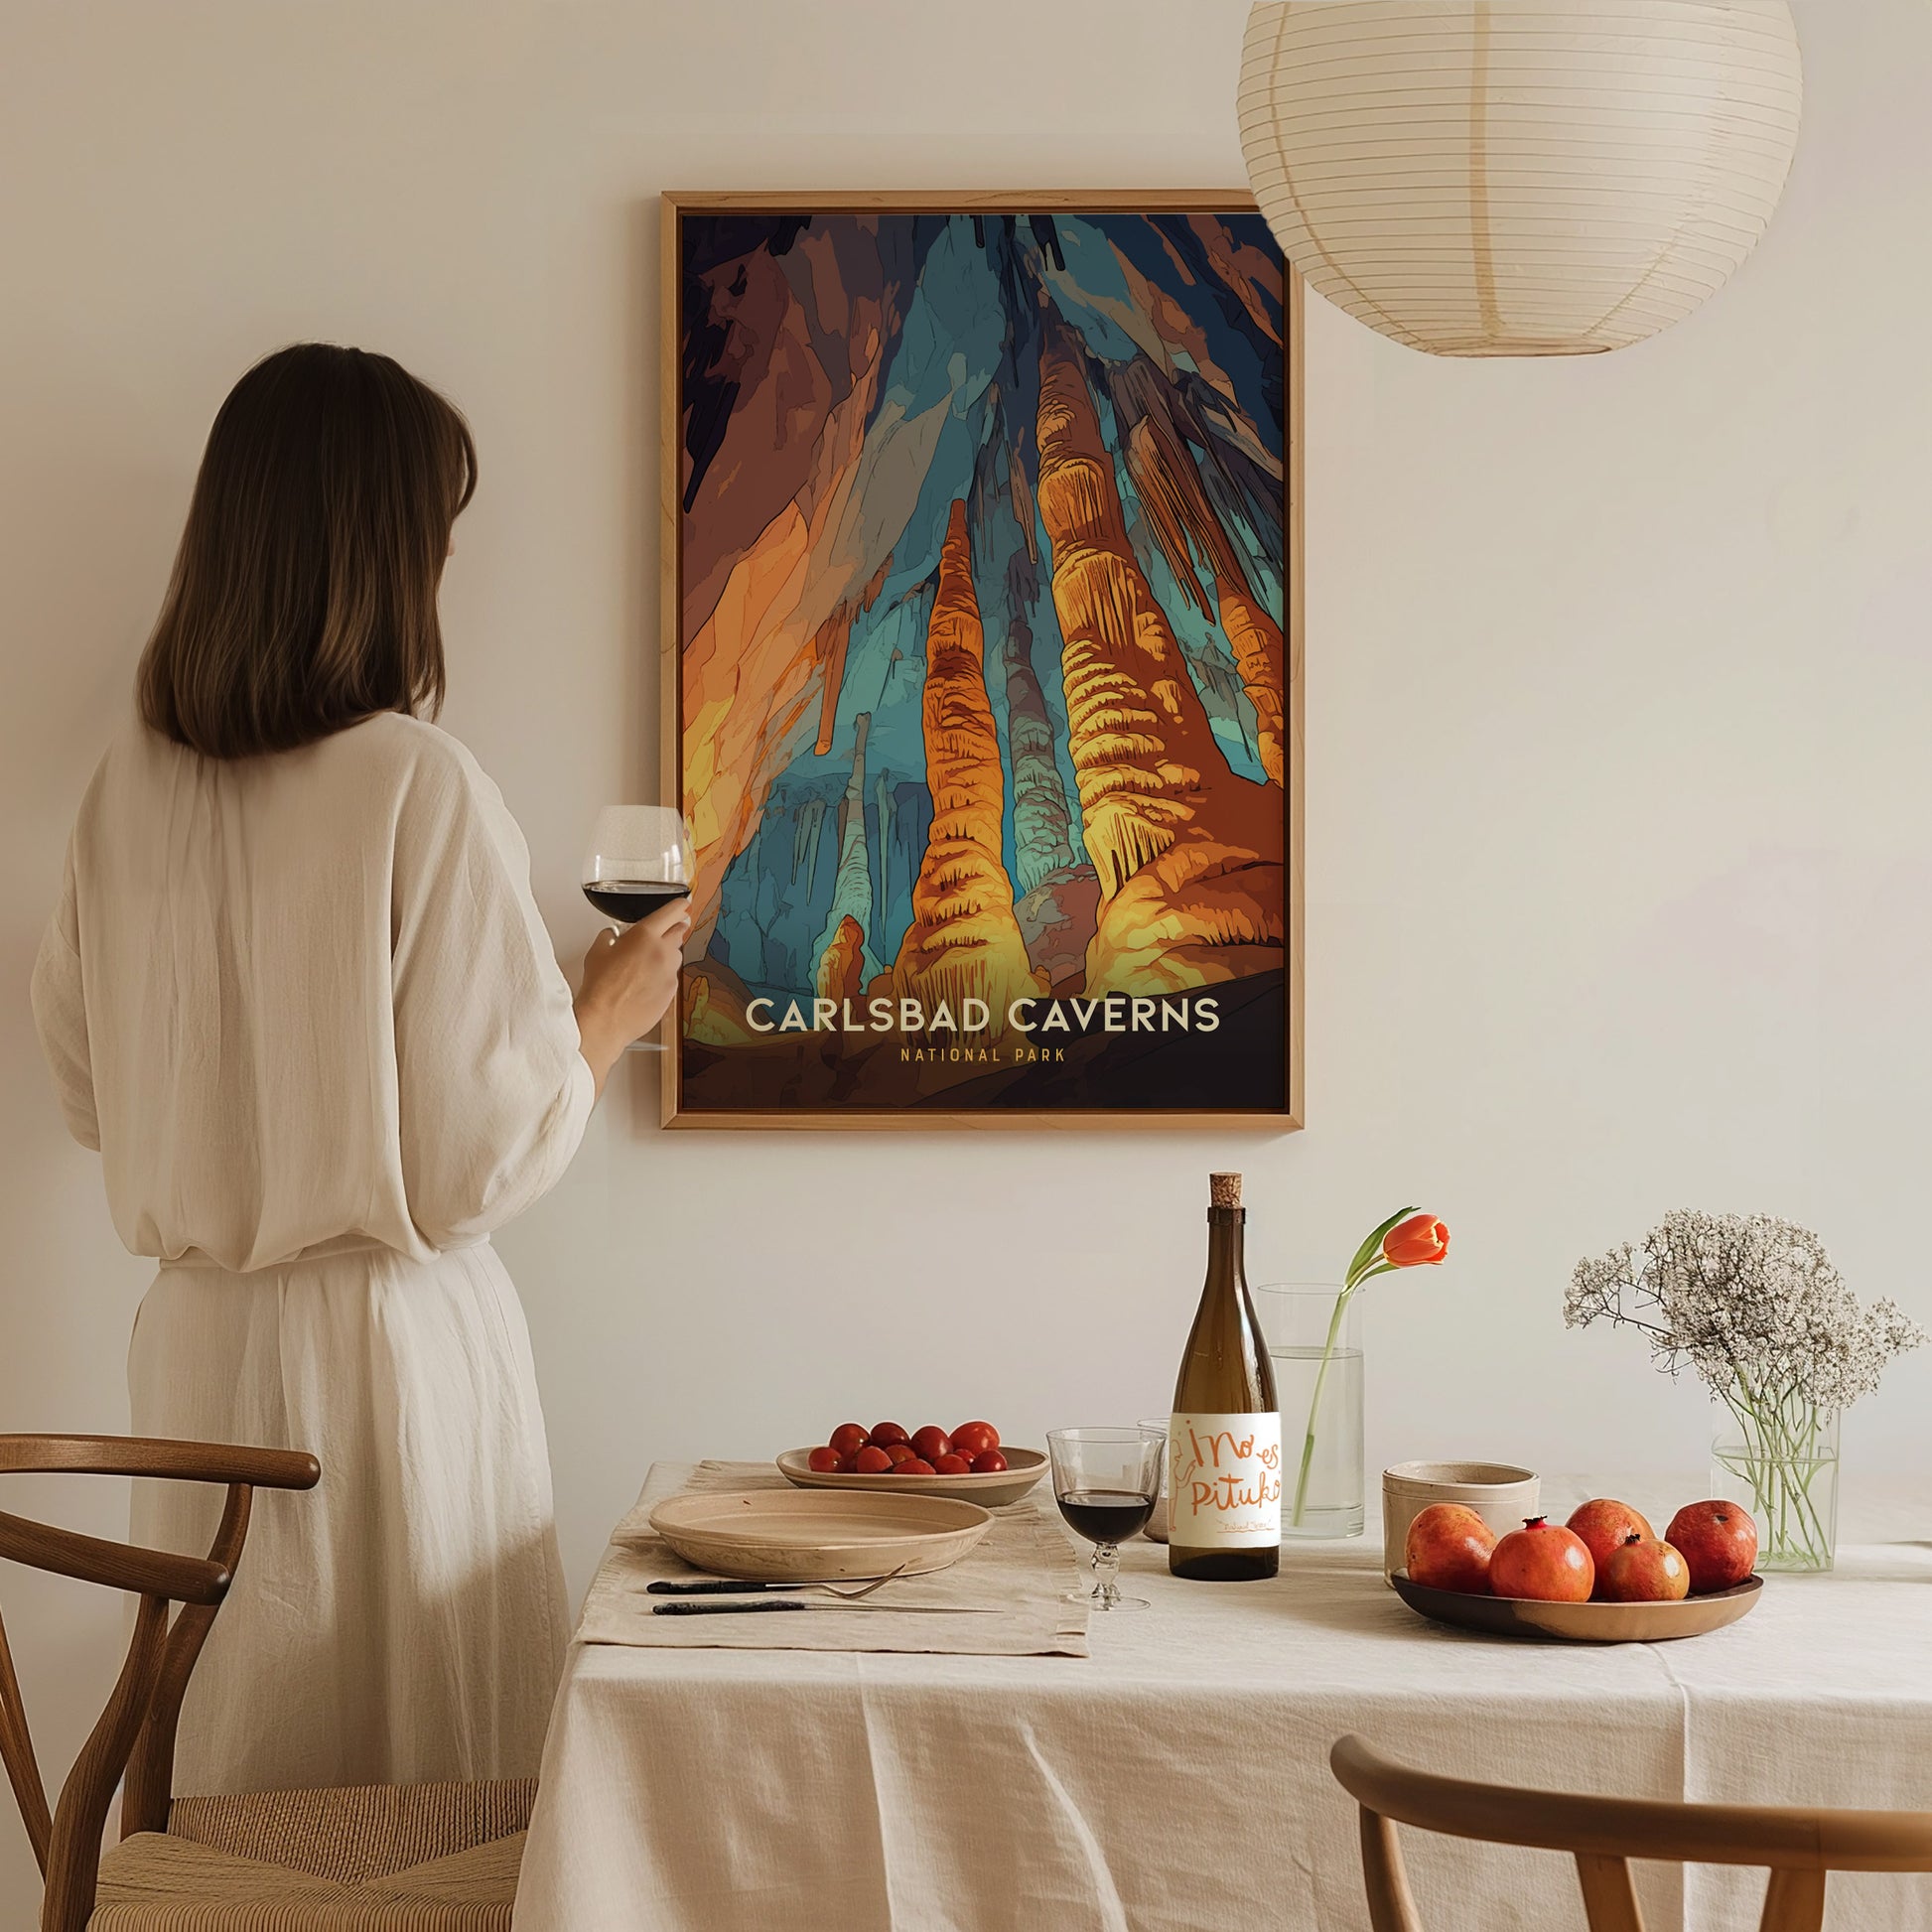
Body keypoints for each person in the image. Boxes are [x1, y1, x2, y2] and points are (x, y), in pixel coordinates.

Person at [29, 343, 687, 1793]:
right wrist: (602, 1012)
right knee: (422, 1802)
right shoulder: (415, 781)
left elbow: (86, 1091)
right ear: (383, 552)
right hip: (388, 1366)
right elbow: (471, 1163)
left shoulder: (121, 792)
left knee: (238, 1785)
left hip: (196, 1355)